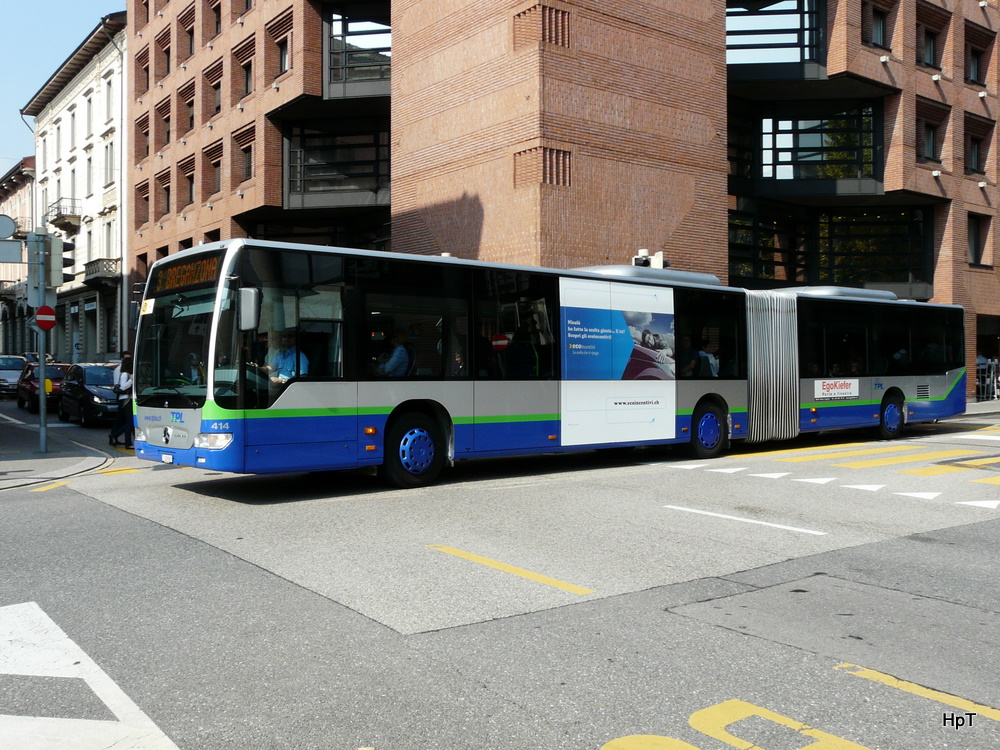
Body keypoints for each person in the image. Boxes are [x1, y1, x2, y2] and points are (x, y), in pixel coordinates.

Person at [108, 353, 134, 448]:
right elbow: (123, 387)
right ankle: (121, 439)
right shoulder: (124, 374)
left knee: (128, 421)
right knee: (130, 422)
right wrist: (132, 379)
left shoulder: (127, 374)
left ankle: (118, 437)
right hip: (125, 400)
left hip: (128, 399)